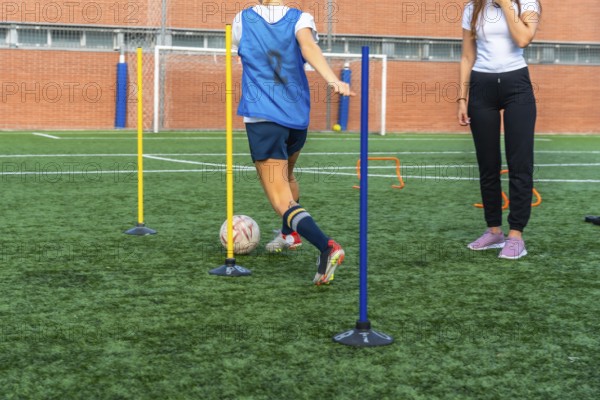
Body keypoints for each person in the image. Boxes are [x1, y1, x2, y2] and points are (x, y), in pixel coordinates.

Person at [232, 0, 355, 284]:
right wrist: (332, 79)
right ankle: (289, 234)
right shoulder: (302, 18)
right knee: (288, 175)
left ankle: (327, 247)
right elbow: (309, 47)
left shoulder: (242, 19)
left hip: (264, 118)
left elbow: (241, 48)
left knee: (280, 199)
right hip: (297, 116)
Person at [458, 0, 541, 259]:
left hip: (517, 84)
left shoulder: (527, 3)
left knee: (520, 162)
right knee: (488, 164)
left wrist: (506, 4)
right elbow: (467, 55)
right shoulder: (473, 8)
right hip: (481, 88)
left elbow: (523, 39)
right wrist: (462, 98)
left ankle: (516, 234)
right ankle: (494, 231)